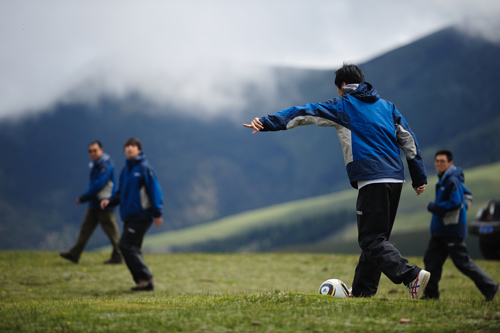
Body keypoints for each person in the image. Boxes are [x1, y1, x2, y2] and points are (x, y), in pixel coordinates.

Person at [244, 63, 430, 299]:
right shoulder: (387, 107)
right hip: (395, 178)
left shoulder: (343, 105)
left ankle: (411, 275)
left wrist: (266, 122)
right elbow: (409, 140)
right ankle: (362, 292)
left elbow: (303, 113)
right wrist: (419, 177)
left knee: (371, 240)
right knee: (376, 239)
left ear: (342, 86)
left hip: (371, 178)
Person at [423, 149, 499, 301]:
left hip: (451, 230)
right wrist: (461, 212)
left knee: (462, 263)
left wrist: (434, 208)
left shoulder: (452, 180)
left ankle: (490, 287)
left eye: (442, 161)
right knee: (431, 260)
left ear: (450, 163)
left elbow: (456, 203)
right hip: (441, 231)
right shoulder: (447, 178)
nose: (439, 164)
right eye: (437, 161)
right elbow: (467, 196)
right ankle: (431, 295)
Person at [101, 137, 163, 291]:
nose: (129, 148)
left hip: (142, 215)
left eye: (133, 146)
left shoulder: (144, 168)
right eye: (127, 146)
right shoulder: (126, 170)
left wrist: (157, 212)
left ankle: (146, 277)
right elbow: (121, 192)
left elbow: (155, 190)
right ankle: (143, 282)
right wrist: (110, 201)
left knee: (125, 245)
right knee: (133, 247)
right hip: (129, 215)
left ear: (139, 150)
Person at [60, 141, 122, 264]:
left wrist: (84, 197)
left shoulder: (105, 165)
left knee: (111, 232)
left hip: (104, 203)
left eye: (95, 150)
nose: (92, 153)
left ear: (102, 150)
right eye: (90, 151)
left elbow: (99, 184)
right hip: (94, 203)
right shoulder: (96, 164)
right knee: (85, 229)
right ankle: (74, 254)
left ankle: (119, 256)